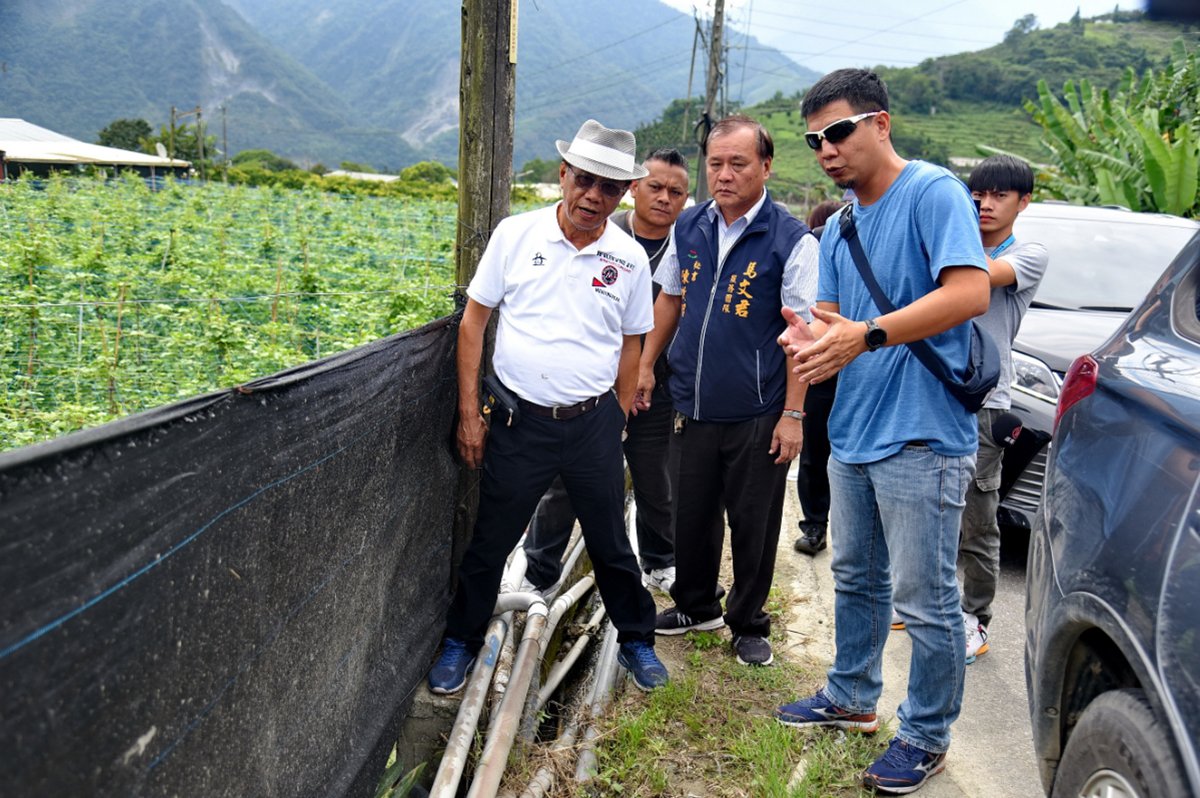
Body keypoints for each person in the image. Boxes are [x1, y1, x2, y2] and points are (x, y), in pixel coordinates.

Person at [773, 69, 990, 795]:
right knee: (855, 576)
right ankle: (852, 696)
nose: (826, 149)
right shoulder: (838, 225)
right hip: (857, 427)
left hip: (923, 433)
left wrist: (863, 335)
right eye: (814, 140)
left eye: (838, 132)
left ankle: (925, 735)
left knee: (926, 599)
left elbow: (969, 291)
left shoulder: (932, 192)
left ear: (880, 124)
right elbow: (835, 318)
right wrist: (808, 340)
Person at [427, 119, 669, 695]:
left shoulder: (630, 258)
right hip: (519, 422)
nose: (593, 196)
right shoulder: (516, 235)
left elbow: (633, 338)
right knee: (492, 539)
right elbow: (474, 324)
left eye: (609, 188)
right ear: (563, 175)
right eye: (584, 180)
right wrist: (469, 413)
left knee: (611, 539)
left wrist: (615, 410)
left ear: (624, 194)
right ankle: (461, 640)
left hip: (592, 425)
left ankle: (636, 639)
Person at [639, 114, 819, 668]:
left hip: (758, 410)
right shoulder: (690, 226)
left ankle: (748, 621)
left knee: (753, 520)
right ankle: (695, 605)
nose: (723, 174)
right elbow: (670, 298)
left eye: (737, 163)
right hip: (690, 401)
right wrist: (647, 364)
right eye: (715, 164)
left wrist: (793, 414)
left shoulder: (791, 241)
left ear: (765, 166)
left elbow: (802, 335)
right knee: (691, 513)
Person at [521, 149, 691, 597]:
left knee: (656, 481)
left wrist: (647, 372)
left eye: (676, 192)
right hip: (592, 385)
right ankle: (539, 570)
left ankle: (659, 561)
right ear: (633, 188)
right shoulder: (601, 234)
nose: (664, 198)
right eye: (655, 187)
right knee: (563, 484)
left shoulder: (689, 246)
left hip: (659, 385)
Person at [958, 155, 1048, 664]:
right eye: (978, 195)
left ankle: (976, 617)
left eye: (1000, 196)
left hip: (987, 403)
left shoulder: (1028, 254)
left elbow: (976, 279)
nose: (986, 205)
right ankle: (930, 603)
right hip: (939, 393)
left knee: (978, 516)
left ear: (1023, 201)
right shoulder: (961, 244)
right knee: (932, 507)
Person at [792, 198, 843, 556]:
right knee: (814, 450)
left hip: (861, 363)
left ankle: (830, 525)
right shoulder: (819, 240)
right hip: (821, 365)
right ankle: (814, 525)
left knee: (838, 453)